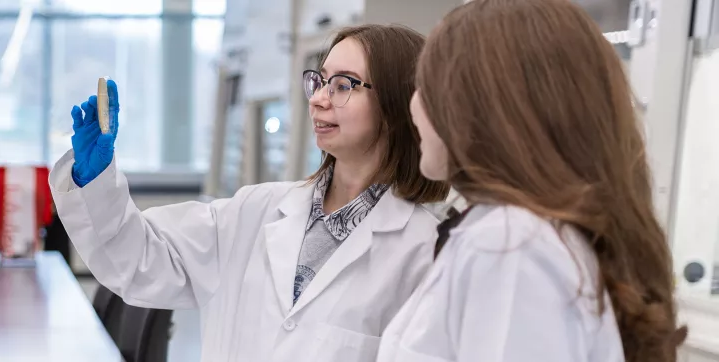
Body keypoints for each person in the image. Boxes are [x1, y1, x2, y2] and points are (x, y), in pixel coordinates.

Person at [49, 24, 449, 362]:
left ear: (399, 104)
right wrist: (94, 177)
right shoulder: (257, 210)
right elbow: (140, 261)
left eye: (343, 85)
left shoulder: (422, 251)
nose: (319, 98)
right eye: (320, 80)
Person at [375, 0, 687, 361]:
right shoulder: (525, 236)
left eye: (427, 87)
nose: (413, 105)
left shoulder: (510, 242)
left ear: (483, 106)